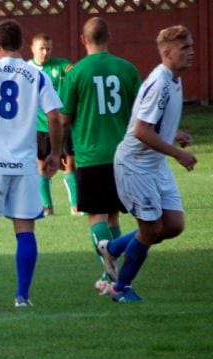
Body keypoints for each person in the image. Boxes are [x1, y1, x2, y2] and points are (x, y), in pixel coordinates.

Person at [0, 19, 62, 308]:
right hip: (25, 164)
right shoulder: (36, 75)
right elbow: (54, 117)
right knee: (25, 228)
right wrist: (54, 154)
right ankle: (23, 296)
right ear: (21, 43)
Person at [98, 26, 197, 303]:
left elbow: (147, 119)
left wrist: (173, 133)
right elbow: (141, 131)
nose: (191, 52)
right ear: (167, 52)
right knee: (151, 229)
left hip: (154, 164)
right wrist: (177, 154)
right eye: (184, 48)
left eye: (190, 46)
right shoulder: (161, 83)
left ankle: (113, 247)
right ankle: (121, 288)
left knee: (173, 225)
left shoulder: (174, 79)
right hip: (135, 164)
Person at [59, 17, 142, 294]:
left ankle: (112, 274)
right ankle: (112, 278)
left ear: (84, 40)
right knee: (114, 217)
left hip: (92, 156)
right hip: (122, 155)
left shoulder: (76, 73)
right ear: (109, 36)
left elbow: (63, 117)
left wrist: (58, 149)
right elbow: (142, 111)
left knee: (97, 218)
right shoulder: (127, 69)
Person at [28, 33, 79, 216]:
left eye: (48, 48)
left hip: (61, 125)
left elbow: (76, 71)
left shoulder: (60, 65)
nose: (45, 52)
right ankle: (47, 207)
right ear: (32, 49)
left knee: (69, 163)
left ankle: (76, 205)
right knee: (42, 167)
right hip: (39, 127)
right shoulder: (27, 70)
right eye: (41, 48)